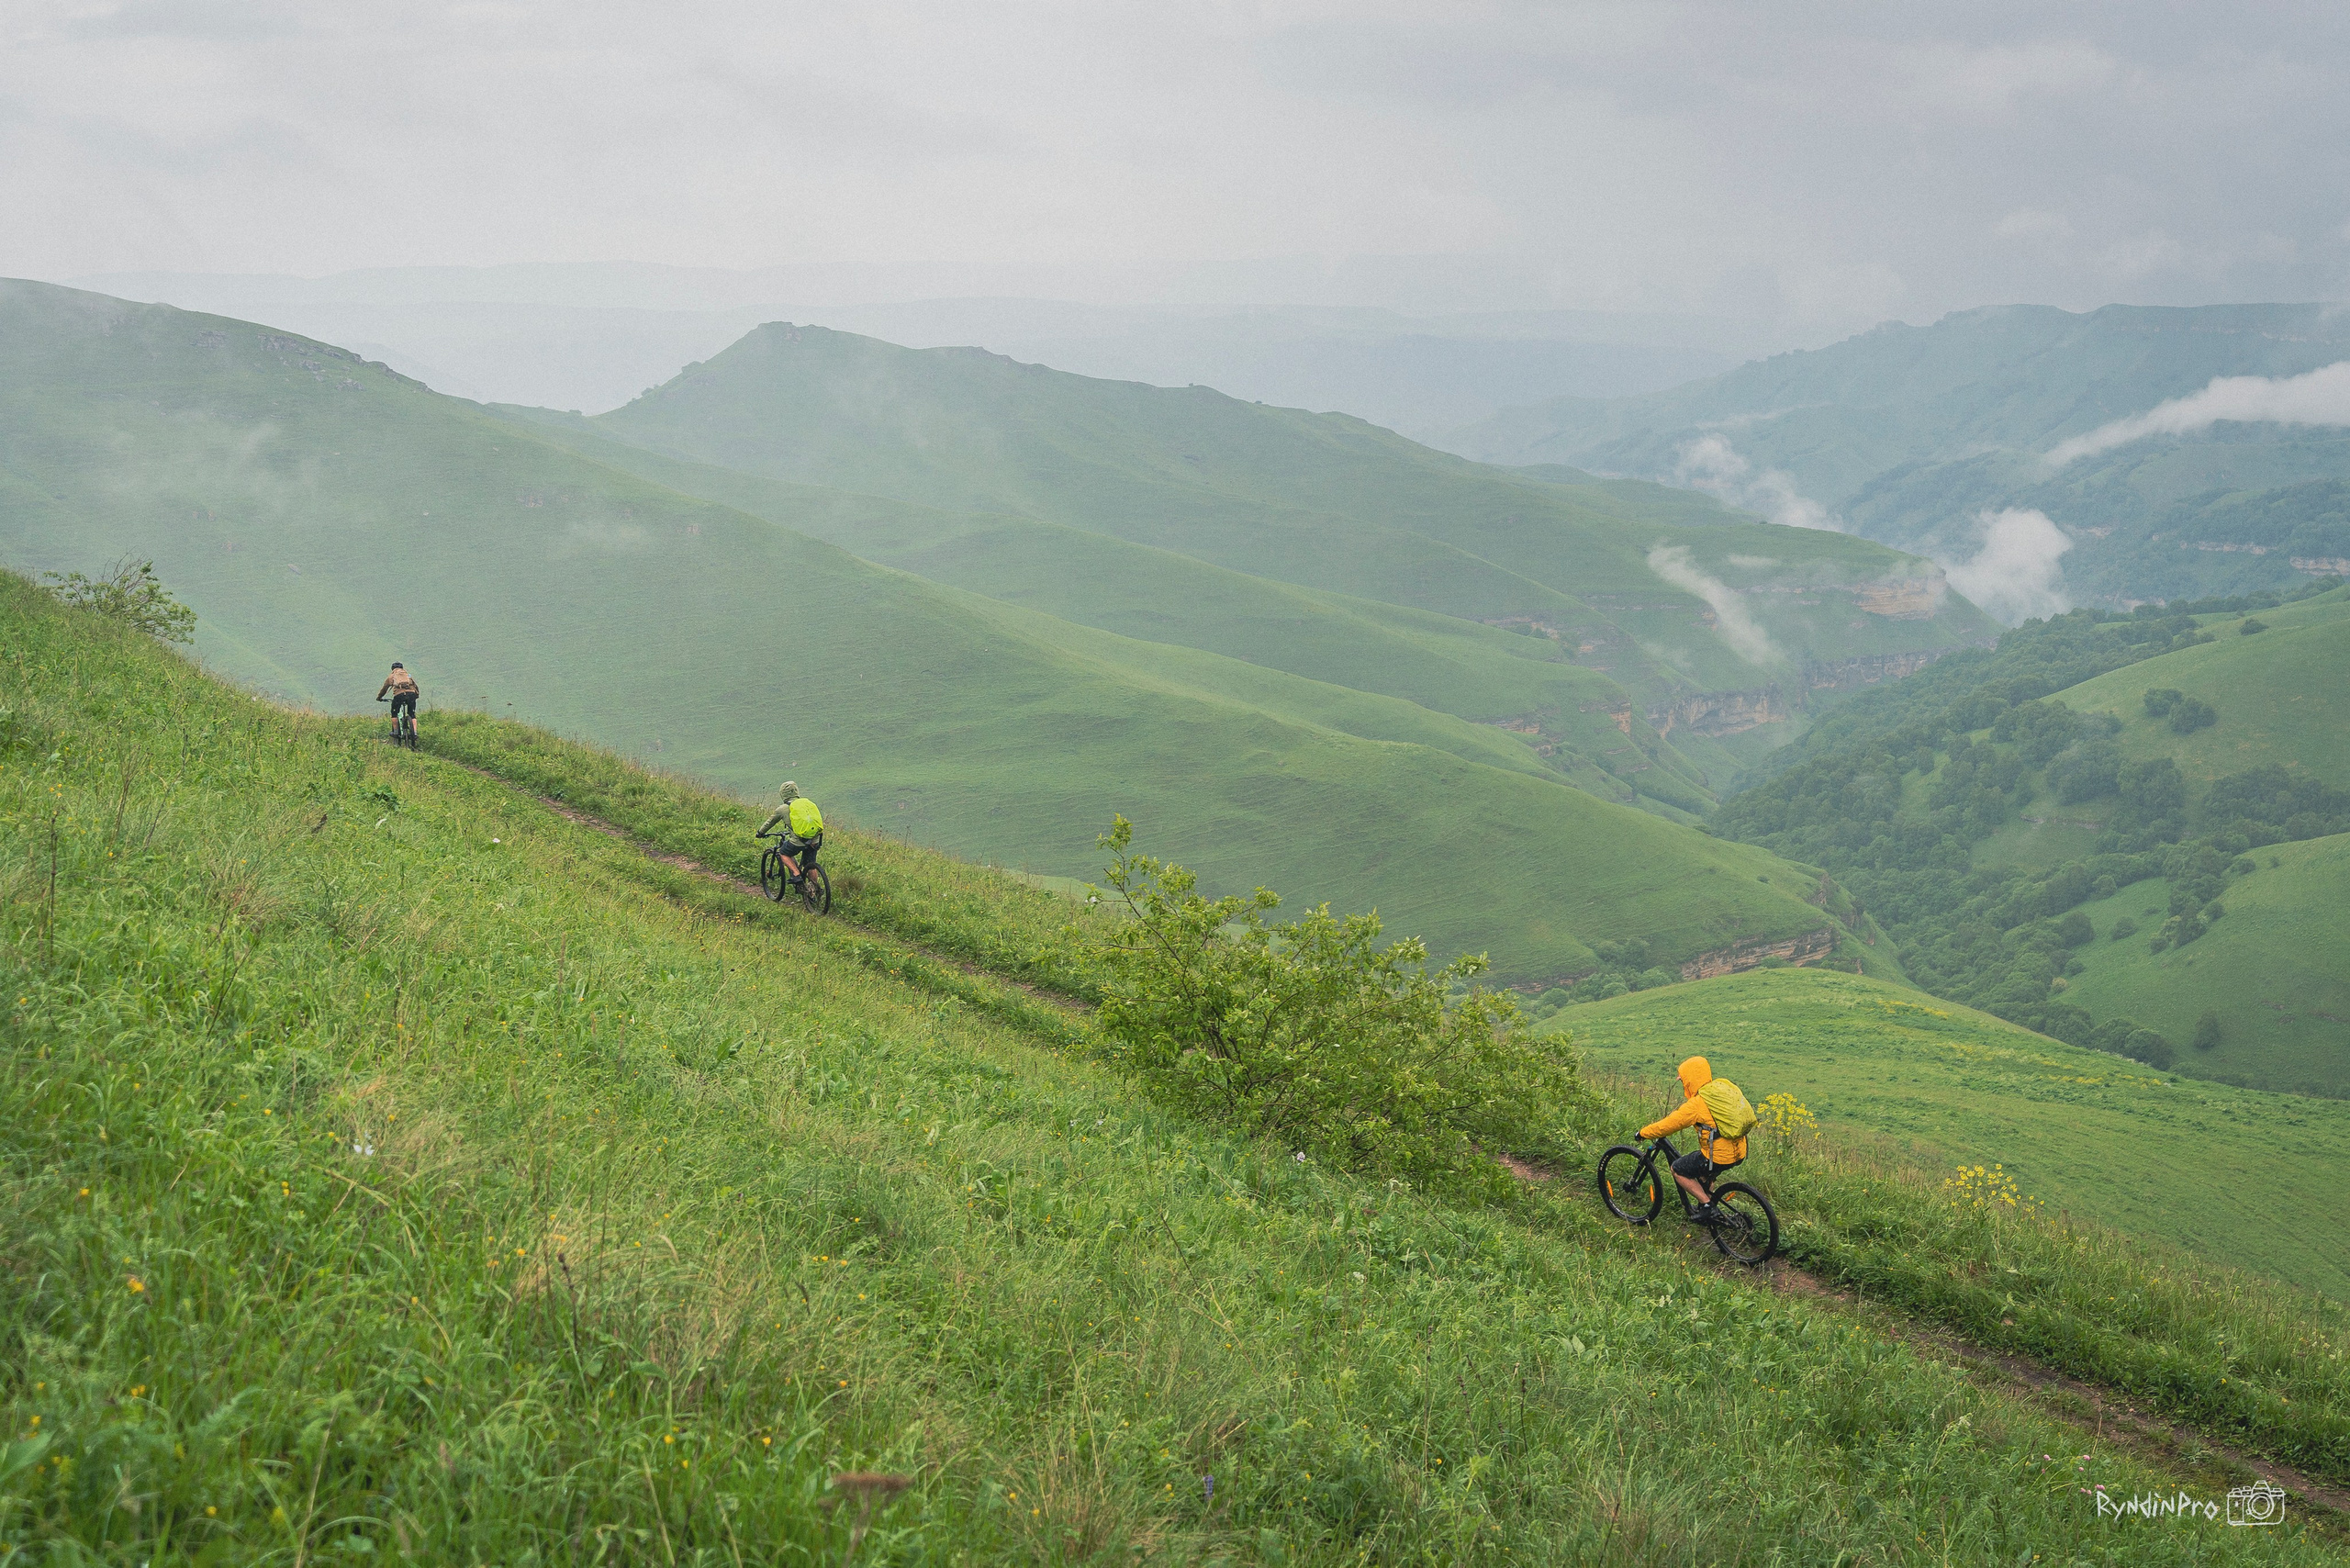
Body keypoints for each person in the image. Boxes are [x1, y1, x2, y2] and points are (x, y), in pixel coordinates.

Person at [1639, 1056, 1748, 1222]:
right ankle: (1708, 1207)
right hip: (1740, 1151)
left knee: (1678, 1169)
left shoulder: (1698, 1103)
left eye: (1683, 1080)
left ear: (1689, 1080)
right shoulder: (1723, 1088)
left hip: (1718, 1156)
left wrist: (1643, 1133)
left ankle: (1707, 1206)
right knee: (1704, 1175)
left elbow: (1669, 1124)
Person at [756, 781, 823, 875]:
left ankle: (796, 874)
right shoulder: (807, 803)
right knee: (810, 865)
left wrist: (760, 832)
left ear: (783, 794)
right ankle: (815, 888)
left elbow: (769, 823)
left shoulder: (783, 809)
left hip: (799, 840)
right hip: (815, 839)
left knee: (783, 853)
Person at [375, 662, 420, 734]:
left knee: (394, 712)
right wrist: (416, 695)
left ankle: (395, 732)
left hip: (399, 695)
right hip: (411, 694)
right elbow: (415, 686)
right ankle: (414, 732)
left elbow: (384, 688)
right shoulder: (408, 675)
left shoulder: (392, 676)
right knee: (412, 714)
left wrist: (379, 697)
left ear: (392, 669)